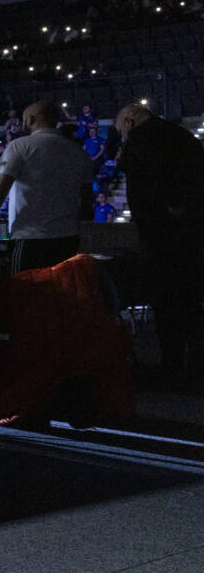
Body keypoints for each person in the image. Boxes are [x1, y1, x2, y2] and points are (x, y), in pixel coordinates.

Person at [113, 102, 204, 388]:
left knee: (166, 302)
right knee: (194, 301)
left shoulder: (140, 139)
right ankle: (197, 365)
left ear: (129, 122)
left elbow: (147, 176)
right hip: (193, 232)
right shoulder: (182, 135)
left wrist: (124, 155)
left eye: (121, 131)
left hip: (161, 234)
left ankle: (172, 366)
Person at [0, 99, 95, 275]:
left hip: (29, 239)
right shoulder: (78, 152)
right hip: (68, 240)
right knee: (62, 288)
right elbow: (87, 200)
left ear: (30, 119)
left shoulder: (20, 146)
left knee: (25, 288)